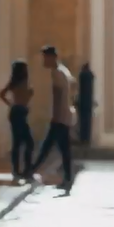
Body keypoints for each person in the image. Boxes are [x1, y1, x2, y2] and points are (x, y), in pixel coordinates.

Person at [26, 45, 77, 191]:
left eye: (45, 58)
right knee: (59, 148)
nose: (44, 61)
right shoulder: (62, 71)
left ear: (52, 57)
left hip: (60, 116)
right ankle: (67, 178)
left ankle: (31, 171)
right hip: (64, 115)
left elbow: (58, 96)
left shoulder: (57, 73)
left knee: (50, 147)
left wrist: (55, 116)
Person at [0, 60, 36, 179]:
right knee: (27, 142)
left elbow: (2, 94)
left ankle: (19, 170)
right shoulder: (21, 82)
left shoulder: (16, 82)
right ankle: (25, 170)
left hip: (18, 111)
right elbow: (2, 94)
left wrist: (12, 104)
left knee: (19, 142)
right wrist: (12, 103)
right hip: (18, 112)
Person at [77, 63, 96, 144]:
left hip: (83, 102)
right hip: (88, 103)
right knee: (87, 122)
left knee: (83, 121)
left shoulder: (82, 76)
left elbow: (81, 90)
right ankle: (87, 138)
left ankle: (83, 138)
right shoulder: (90, 77)